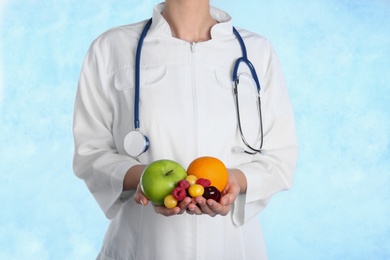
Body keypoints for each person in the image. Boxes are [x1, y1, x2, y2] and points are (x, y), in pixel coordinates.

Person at [73, 0, 298, 259]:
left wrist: (234, 179)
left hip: (231, 247)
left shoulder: (258, 52)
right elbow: (91, 152)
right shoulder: (111, 48)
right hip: (141, 247)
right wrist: (144, 178)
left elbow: (280, 156)